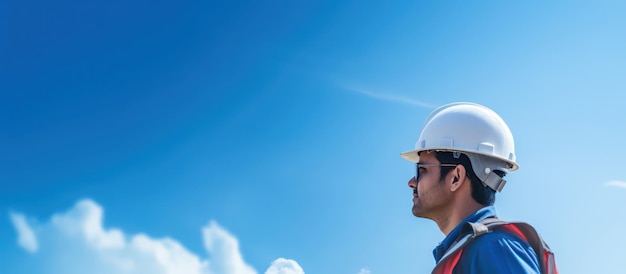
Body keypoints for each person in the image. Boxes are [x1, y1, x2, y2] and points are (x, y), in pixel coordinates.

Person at [400, 102, 557, 274]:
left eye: (422, 170)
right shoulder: (477, 250)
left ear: (456, 177)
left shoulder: (493, 247)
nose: (412, 182)